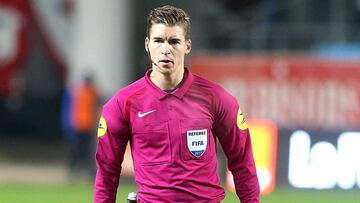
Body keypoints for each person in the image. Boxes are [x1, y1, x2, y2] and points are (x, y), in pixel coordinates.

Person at [94, 5, 260, 203]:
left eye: (174, 42)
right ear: (147, 44)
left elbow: (242, 162)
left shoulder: (217, 98)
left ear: (187, 46)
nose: (166, 50)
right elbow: (107, 173)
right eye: (158, 41)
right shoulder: (122, 104)